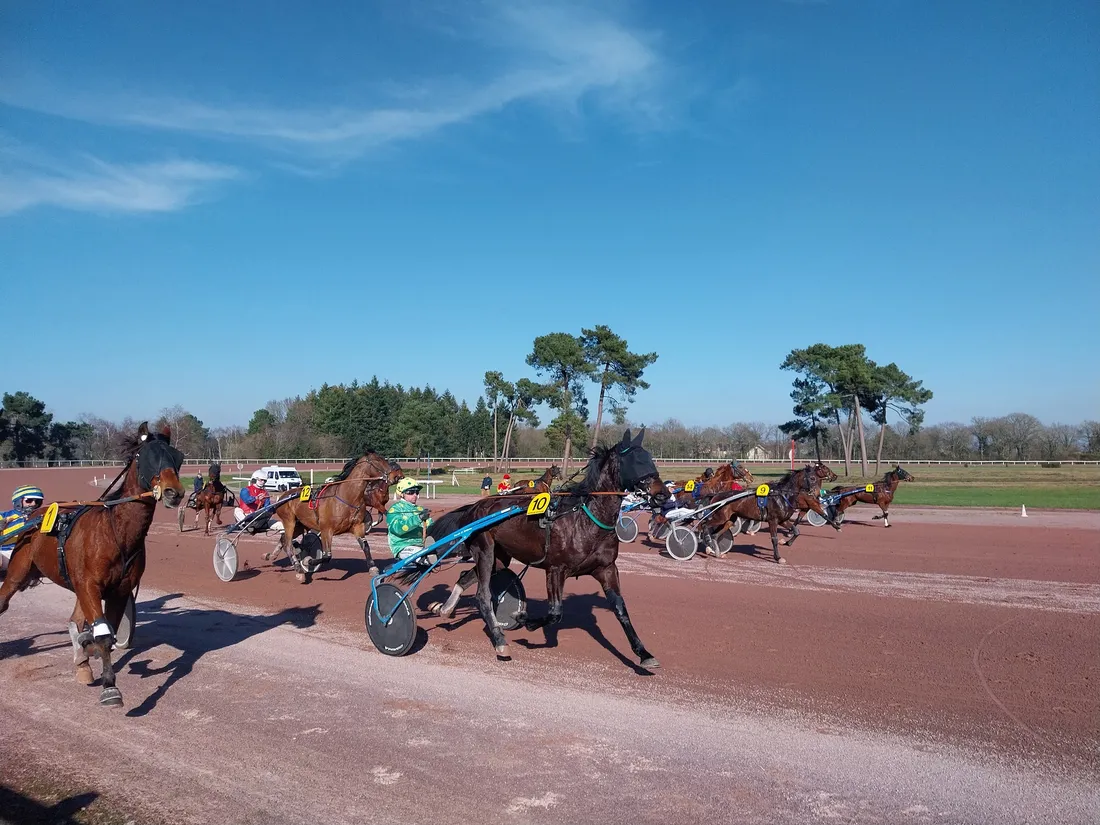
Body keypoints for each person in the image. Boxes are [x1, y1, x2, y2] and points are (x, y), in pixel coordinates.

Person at [386, 478, 435, 562]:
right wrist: (418, 518)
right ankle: (426, 558)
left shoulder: (420, 509)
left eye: (417, 492)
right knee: (423, 555)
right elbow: (398, 529)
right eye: (411, 492)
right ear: (401, 494)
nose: (415, 495)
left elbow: (431, 526)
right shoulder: (395, 509)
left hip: (421, 544)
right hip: (403, 546)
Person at [2, 485, 44, 578]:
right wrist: (4, 522)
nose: (33, 504)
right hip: (5, 553)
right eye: (29, 500)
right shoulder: (4, 515)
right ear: (18, 502)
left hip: (29, 552)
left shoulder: (41, 516)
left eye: (37, 501)